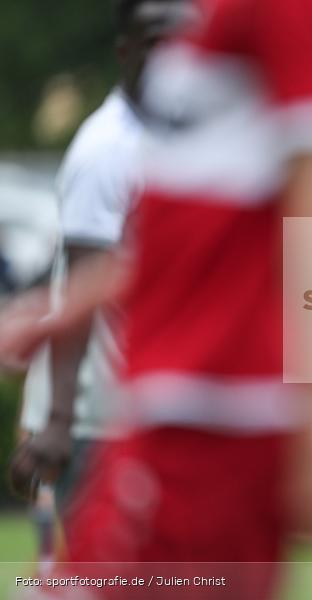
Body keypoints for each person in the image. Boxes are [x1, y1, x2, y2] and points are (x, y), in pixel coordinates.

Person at [0, 0, 312, 597]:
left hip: (210, 404)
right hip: (174, 394)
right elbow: (205, 225)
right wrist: (71, 307)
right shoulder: (208, 30)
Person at [9, 0, 192, 541]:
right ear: (125, 51)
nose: (172, 56)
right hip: (95, 419)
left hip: (148, 408)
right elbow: (80, 291)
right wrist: (59, 423)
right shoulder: (108, 150)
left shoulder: (182, 137)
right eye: (155, 41)